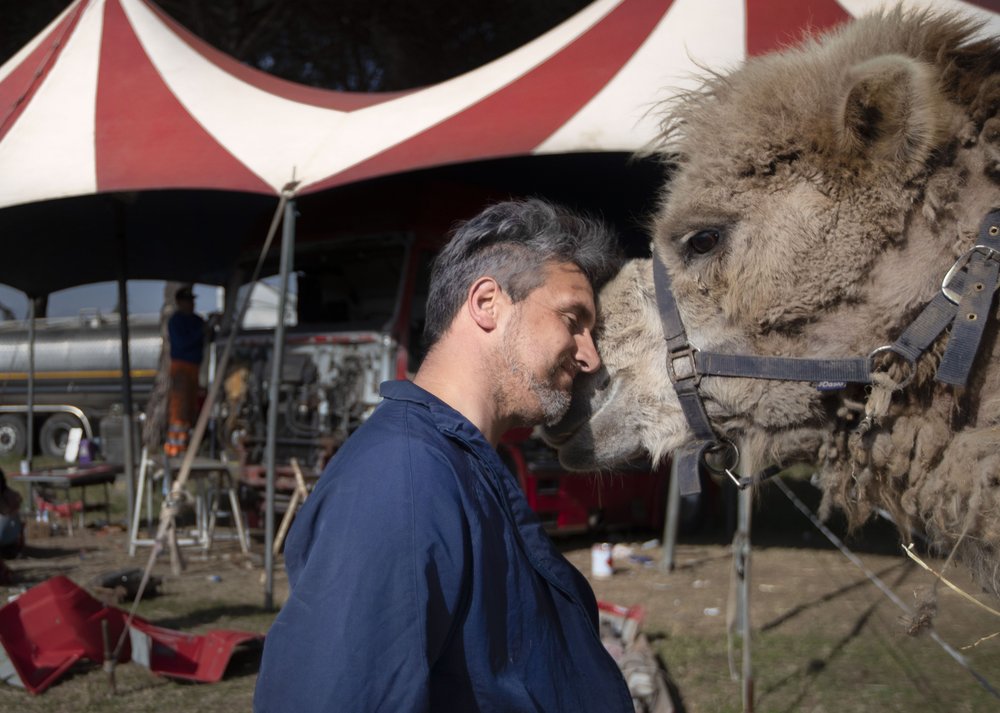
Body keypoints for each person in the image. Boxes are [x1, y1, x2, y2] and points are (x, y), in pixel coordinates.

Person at [254, 199, 632, 712]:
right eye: (573, 319)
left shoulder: (456, 462)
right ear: (487, 304)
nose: (590, 355)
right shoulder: (403, 480)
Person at [165, 286, 205, 457]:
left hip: (195, 367)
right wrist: (202, 331)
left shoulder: (197, 320)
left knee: (191, 407)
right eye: (188, 301)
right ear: (180, 303)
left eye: (192, 301)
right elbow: (183, 343)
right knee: (179, 406)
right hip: (180, 366)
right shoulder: (176, 321)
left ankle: (187, 443)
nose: (191, 304)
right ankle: (174, 447)